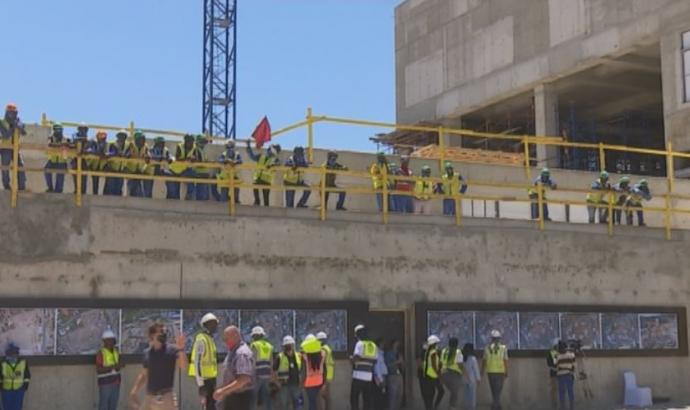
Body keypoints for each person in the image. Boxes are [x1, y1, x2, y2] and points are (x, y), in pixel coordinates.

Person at [128, 322, 188, 410]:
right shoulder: (147, 353)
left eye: (164, 332)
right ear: (152, 336)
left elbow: (183, 366)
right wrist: (134, 390)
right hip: (150, 397)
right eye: (161, 332)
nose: (163, 334)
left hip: (166, 397)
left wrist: (181, 349)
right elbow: (145, 374)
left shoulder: (172, 350)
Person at [213, 326, 255, 410]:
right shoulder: (233, 352)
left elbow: (243, 379)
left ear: (236, 336)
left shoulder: (241, 353)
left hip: (240, 398)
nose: (224, 341)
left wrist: (223, 391)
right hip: (233, 397)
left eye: (226, 338)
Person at [188, 313, 219, 410]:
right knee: (207, 406)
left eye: (216, 324)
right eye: (213, 323)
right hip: (205, 380)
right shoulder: (201, 339)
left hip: (211, 379)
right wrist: (201, 384)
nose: (215, 326)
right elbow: (197, 362)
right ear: (206, 325)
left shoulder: (210, 339)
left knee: (212, 406)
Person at [0, 103, 26, 192]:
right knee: (5, 167)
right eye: (10, 112)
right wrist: (13, 128)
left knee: (21, 166)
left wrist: (19, 126)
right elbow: (6, 135)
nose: (12, 114)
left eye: (13, 112)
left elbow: (23, 131)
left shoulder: (18, 121)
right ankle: (7, 186)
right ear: (7, 112)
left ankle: (22, 187)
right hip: (6, 148)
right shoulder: (2, 122)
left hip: (15, 148)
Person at [350, 324, 377, 410]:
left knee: (354, 399)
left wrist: (352, 359)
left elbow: (356, 358)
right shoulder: (373, 345)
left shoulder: (360, 343)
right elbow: (375, 361)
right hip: (368, 377)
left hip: (358, 376)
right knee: (367, 400)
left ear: (358, 334)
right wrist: (367, 359)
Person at [247, 141, 281, 206]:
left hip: (266, 181)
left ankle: (265, 208)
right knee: (255, 187)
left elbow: (277, 165)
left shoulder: (275, 160)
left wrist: (273, 165)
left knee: (266, 198)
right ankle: (257, 202)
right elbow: (252, 157)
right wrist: (249, 147)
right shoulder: (261, 156)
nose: (270, 151)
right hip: (258, 178)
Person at [482, 330, 508, 410]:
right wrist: (507, 370)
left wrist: (482, 371)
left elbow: (484, 360)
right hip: (500, 371)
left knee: (494, 390)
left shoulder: (487, 348)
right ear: (499, 338)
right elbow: (505, 360)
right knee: (498, 391)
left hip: (490, 371)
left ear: (491, 339)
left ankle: (497, 405)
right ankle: (494, 407)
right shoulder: (503, 348)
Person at [275, 335, 303, 410]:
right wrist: (277, 382)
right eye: (287, 345)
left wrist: (301, 381)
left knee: (297, 404)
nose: (289, 347)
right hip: (284, 385)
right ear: (284, 346)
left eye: (290, 345)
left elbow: (301, 370)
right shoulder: (280, 357)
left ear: (293, 345)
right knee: (284, 405)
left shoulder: (298, 356)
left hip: (295, 384)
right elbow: (273, 370)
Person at [249, 326, 274, 410]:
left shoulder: (254, 345)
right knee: (267, 398)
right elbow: (271, 363)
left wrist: (250, 376)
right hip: (266, 375)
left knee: (253, 398)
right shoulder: (269, 346)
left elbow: (252, 361)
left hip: (257, 375)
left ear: (255, 336)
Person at [96, 329, 122, 410]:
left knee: (113, 405)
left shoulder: (116, 351)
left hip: (116, 382)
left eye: (113, 340)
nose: (112, 342)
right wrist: (112, 367)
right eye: (109, 340)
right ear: (104, 341)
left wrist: (119, 366)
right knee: (104, 405)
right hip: (105, 383)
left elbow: (117, 364)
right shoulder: (101, 353)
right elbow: (99, 369)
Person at [166, 134, 197, 200]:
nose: (190, 143)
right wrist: (187, 159)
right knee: (175, 190)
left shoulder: (194, 147)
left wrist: (193, 158)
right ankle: (174, 201)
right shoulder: (179, 146)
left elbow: (194, 158)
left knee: (193, 177)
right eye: (188, 141)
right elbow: (177, 157)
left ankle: (189, 197)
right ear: (185, 141)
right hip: (174, 170)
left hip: (184, 170)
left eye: (191, 141)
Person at [0, 343, 30, 410]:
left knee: (17, 408)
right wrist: (1, 386)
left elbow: (27, 375)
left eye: (15, 352)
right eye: (11, 352)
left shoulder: (23, 362)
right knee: (6, 408)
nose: (13, 355)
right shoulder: (3, 363)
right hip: (6, 390)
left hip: (19, 390)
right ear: (7, 353)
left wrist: (25, 386)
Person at [301, 334, 325, 410]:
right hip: (319, 380)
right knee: (316, 400)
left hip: (309, 381)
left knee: (312, 401)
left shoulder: (305, 356)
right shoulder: (322, 353)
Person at [124, 130, 150, 198]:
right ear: (137, 139)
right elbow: (126, 155)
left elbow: (148, 156)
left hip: (139, 172)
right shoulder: (131, 145)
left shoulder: (145, 146)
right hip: (131, 171)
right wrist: (129, 155)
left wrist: (147, 157)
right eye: (141, 139)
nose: (143, 140)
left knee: (139, 192)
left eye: (143, 138)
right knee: (133, 188)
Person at [421, 335, 444, 410]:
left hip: (428, 376)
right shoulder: (433, 352)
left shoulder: (428, 351)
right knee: (439, 391)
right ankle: (434, 406)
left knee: (431, 393)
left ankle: (432, 407)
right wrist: (439, 375)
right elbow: (434, 365)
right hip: (432, 375)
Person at [440, 337, 464, 410]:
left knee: (453, 391)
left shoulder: (444, 350)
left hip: (444, 373)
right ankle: (452, 407)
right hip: (454, 374)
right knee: (455, 392)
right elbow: (460, 364)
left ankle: (451, 406)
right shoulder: (458, 352)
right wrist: (463, 371)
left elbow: (441, 362)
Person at [45, 122, 69, 193]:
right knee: (46, 170)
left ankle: (58, 190)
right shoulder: (51, 138)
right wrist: (57, 145)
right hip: (52, 160)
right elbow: (49, 145)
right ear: (54, 130)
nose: (58, 131)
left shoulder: (65, 139)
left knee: (60, 174)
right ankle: (50, 188)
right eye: (56, 129)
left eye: (60, 129)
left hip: (62, 161)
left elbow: (69, 147)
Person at [103, 130, 128, 196]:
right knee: (110, 190)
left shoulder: (127, 146)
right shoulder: (112, 144)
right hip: (112, 170)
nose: (122, 137)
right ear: (117, 137)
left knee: (118, 190)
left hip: (121, 171)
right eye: (120, 136)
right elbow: (107, 155)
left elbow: (129, 154)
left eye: (123, 136)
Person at [85, 130, 109, 195]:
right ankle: (92, 193)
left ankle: (102, 193)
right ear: (98, 136)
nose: (103, 138)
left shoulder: (105, 143)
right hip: (91, 164)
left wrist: (105, 154)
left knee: (100, 178)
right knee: (93, 179)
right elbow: (89, 150)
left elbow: (106, 152)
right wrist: (96, 152)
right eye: (101, 136)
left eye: (104, 137)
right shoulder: (92, 142)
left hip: (100, 164)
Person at [316, 332, 335, 410]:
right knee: (326, 397)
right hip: (328, 375)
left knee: (321, 396)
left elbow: (322, 362)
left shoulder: (323, 349)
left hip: (324, 375)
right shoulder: (327, 348)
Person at [555, 341, 576, 410]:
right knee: (570, 391)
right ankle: (571, 407)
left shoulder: (557, 356)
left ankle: (563, 407)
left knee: (562, 392)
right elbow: (574, 365)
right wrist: (572, 372)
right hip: (568, 374)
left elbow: (556, 366)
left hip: (561, 375)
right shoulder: (571, 354)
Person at [70, 123, 90, 195]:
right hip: (75, 158)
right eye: (82, 129)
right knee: (76, 175)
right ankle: (77, 190)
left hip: (83, 159)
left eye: (85, 129)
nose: (83, 130)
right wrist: (83, 139)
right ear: (79, 129)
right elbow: (74, 141)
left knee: (84, 175)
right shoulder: (75, 135)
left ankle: (83, 191)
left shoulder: (86, 137)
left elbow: (88, 147)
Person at [384, 340, 404, 410]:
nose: (398, 345)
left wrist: (402, 363)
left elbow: (403, 365)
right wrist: (397, 362)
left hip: (399, 375)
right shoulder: (388, 354)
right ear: (393, 345)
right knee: (393, 395)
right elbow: (387, 365)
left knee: (400, 394)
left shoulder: (399, 353)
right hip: (392, 376)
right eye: (396, 344)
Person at [192, 135, 212, 201]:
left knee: (205, 194)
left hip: (204, 173)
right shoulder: (196, 150)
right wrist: (204, 164)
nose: (204, 144)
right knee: (201, 194)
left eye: (204, 142)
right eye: (202, 142)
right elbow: (197, 162)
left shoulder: (202, 150)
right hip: (199, 174)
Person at [461, 343, 480, 410]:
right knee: (472, 396)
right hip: (472, 379)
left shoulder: (462, 358)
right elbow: (476, 369)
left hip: (464, 378)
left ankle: (466, 407)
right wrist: (478, 379)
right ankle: (472, 408)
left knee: (466, 395)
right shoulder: (473, 358)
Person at [372, 338, 388, 410]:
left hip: (383, 375)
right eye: (382, 343)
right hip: (379, 376)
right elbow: (377, 366)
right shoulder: (377, 353)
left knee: (383, 394)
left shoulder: (381, 352)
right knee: (379, 394)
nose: (384, 345)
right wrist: (380, 379)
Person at [546, 338, 559, 410]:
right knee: (554, 390)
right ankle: (554, 405)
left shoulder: (554, 352)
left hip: (556, 373)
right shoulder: (553, 352)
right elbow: (551, 363)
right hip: (555, 373)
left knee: (555, 390)